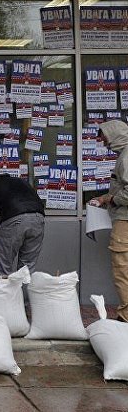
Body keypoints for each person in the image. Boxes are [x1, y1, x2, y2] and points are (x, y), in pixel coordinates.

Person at [0, 173, 45, 276]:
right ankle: (23, 292)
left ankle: (5, 292)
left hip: (15, 219)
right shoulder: (20, 182)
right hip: (38, 218)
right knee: (27, 268)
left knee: (4, 268)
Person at [94, 120, 128, 322]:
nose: (103, 141)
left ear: (115, 134)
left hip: (125, 221)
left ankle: (126, 317)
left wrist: (109, 199)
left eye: (105, 136)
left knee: (122, 268)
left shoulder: (126, 157)